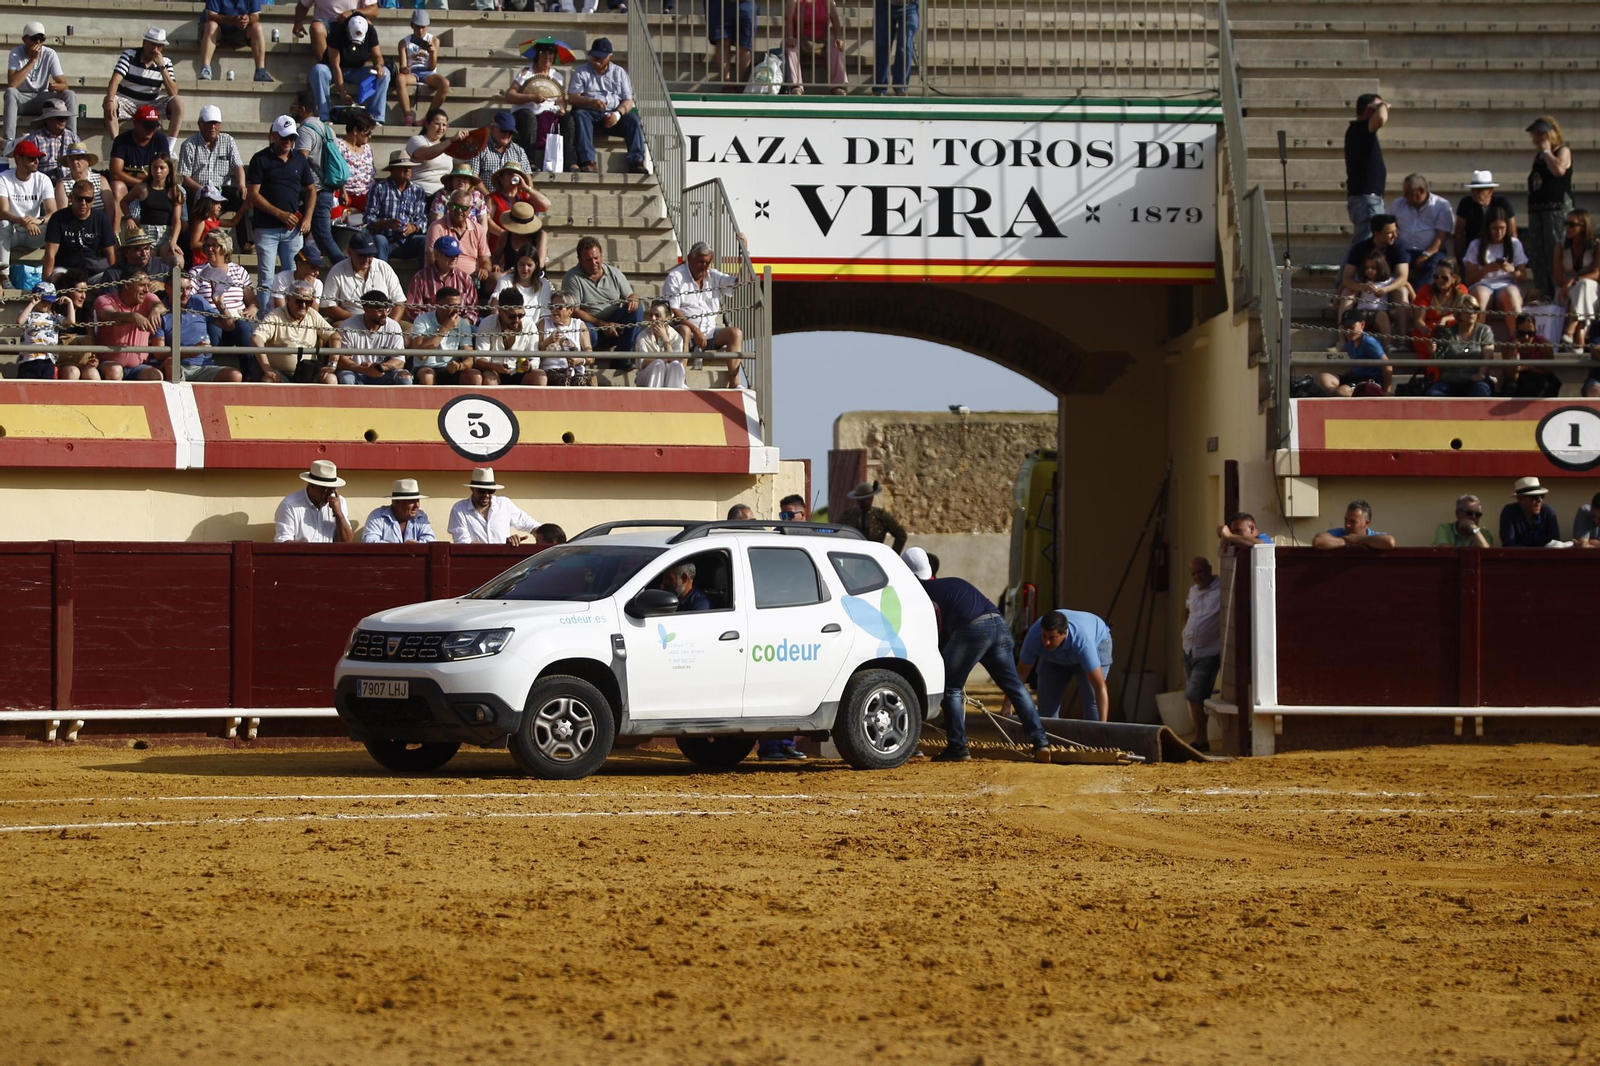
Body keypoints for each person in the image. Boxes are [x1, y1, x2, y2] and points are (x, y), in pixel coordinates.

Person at [900, 547, 1051, 763]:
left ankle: (958, 747)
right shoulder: (952, 583)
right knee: (1015, 686)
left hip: (973, 630)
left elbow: (936, 634)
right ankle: (1041, 742)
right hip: (998, 624)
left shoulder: (920, 593)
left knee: (949, 687)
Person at [246, 115, 316, 296]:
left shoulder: (300, 160)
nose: (288, 141)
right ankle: (264, 317)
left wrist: (307, 217)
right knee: (266, 278)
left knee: (295, 277)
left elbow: (311, 189)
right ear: (273, 136)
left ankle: (291, 317)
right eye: (284, 137)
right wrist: (279, 214)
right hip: (267, 227)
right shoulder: (260, 159)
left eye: (292, 137)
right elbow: (253, 194)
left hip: (292, 228)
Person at [664, 241, 744, 388]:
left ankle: (734, 383)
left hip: (710, 332)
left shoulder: (714, 276)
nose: (704, 267)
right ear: (689, 258)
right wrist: (696, 331)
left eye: (707, 263)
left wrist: (744, 254)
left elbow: (738, 283)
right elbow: (673, 311)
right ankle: (680, 379)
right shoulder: (676, 276)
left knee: (736, 333)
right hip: (685, 330)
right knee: (685, 330)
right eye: (700, 262)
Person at [1016, 609, 1114, 723]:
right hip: (1053, 656)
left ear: (1064, 634)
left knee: (1092, 702)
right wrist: (1007, 706)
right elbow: (1020, 675)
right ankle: (1047, 739)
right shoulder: (1034, 636)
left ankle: (1094, 739)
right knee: (1046, 708)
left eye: (1052, 637)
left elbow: (1099, 686)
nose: (1046, 642)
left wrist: (1102, 726)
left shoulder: (1083, 642)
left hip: (1096, 644)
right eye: (1044, 636)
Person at [565, 39, 646, 175]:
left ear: (610, 57)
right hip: (590, 113)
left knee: (633, 120)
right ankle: (588, 160)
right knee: (579, 115)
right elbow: (573, 97)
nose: (596, 61)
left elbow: (628, 101)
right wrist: (590, 101)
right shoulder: (581, 72)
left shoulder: (619, 73)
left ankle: (636, 161)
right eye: (593, 57)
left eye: (600, 58)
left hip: (613, 113)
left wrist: (617, 114)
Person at [154, 273, 242, 383]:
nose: (185, 294)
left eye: (188, 288)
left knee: (234, 376)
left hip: (204, 366)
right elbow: (159, 353)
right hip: (179, 365)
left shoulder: (198, 302)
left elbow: (229, 326)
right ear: (167, 289)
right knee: (170, 363)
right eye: (180, 290)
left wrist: (220, 304)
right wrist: (191, 352)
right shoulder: (160, 312)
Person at [288, 91, 342, 268]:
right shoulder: (327, 129)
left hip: (316, 191)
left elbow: (301, 162)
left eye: (293, 107)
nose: (290, 110)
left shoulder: (304, 130)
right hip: (327, 188)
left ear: (302, 109)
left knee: (324, 239)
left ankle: (348, 271)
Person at [563, 235, 642, 353]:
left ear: (601, 255)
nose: (594, 263)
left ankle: (623, 357)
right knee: (587, 332)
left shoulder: (614, 273)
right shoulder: (573, 277)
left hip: (615, 323)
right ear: (580, 260)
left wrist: (634, 298)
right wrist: (602, 324)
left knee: (637, 309)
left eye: (596, 258)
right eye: (588, 260)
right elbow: (574, 310)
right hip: (591, 325)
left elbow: (630, 296)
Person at [251, 278, 340, 382]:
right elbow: (256, 338)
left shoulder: (312, 314)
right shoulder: (275, 316)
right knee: (268, 380)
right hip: (281, 373)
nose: (303, 306)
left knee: (330, 378)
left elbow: (335, 336)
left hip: (309, 372)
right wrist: (267, 369)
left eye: (308, 302)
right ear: (288, 299)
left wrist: (332, 364)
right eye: (299, 301)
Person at [1525, 116, 1574, 302]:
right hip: (1538, 210)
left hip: (1557, 210)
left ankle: (1559, 296)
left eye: (1540, 134)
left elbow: (1559, 171)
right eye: (1535, 135)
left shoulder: (1562, 151)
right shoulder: (1537, 157)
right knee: (1539, 256)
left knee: (1556, 251)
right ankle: (1543, 294)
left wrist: (1547, 152)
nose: (1537, 138)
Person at [1335, 214, 1410, 335]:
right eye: (1390, 233)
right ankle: (1342, 340)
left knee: (1402, 291)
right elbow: (1347, 279)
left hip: (1387, 289)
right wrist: (1361, 287)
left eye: (1395, 231)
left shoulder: (1398, 246)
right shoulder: (1360, 248)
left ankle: (1403, 339)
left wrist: (1385, 289)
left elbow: (1403, 277)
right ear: (1377, 234)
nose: (1395, 236)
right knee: (1347, 292)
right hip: (1364, 289)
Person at [105, 27, 183, 140]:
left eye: (159, 46)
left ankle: (169, 148)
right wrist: (110, 100)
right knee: (110, 100)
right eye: (152, 44)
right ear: (144, 43)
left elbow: (174, 92)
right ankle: (116, 143)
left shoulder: (166, 62)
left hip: (151, 106)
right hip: (127, 102)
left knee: (178, 102)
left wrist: (162, 67)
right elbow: (115, 80)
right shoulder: (129, 55)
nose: (155, 49)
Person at [6, 20, 76, 143]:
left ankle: (72, 140)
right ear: (25, 39)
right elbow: (12, 84)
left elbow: (65, 86)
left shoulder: (50, 54)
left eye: (41, 38)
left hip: (43, 99)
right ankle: (8, 141)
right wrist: (32, 60)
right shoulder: (16, 53)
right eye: (34, 38)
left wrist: (57, 86)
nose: (38, 42)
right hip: (22, 99)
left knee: (70, 95)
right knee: (11, 92)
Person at [312, 13, 389, 125]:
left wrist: (378, 65)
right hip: (335, 70)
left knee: (385, 73)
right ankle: (324, 117)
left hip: (357, 71)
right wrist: (342, 91)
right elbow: (335, 65)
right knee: (318, 70)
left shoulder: (370, 31)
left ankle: (375, 117)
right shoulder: (338, 32)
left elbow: (377, 56)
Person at [178, 106, 247, 225]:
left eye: (215, 123)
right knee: (189, 197)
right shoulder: (188, 145)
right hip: (199, 190)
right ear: (200, 124)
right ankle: (190, 237)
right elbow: (184, 177)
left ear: (220, 124)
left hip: (221, 189)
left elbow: (237, 165)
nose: (212, 127)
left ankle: (246, 242)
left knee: (244, 199)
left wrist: (241, 184)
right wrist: (203, 189)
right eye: (208, 123)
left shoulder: (228, 140)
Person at [93, 270, 166, 381]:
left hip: (139, 367)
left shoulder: (147, 298)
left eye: (148, 285)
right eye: (142, 285)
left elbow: (160, 306)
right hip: (109, 364)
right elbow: (106, 314)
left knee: (155, 375)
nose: (146, 290)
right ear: (127, 285)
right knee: (115, 371)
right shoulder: (105, 299)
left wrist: (156, 310)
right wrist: (133, 317)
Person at [191, 230, 258, 350]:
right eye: (207, 245)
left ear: (224, 248)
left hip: (236, 317)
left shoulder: (239, 271)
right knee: (213, 329)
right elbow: (189, 299)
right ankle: (212, 366)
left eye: (214, 245)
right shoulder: (197, 272)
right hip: (212, 318)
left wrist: (252, 308)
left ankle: (247, 368)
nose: (209, 249)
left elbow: (252, 299)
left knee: (244, 329)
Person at [1181, 557, 1222, 753]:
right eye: (1193, 574)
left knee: (1194, 695)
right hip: (1189, 650)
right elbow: (1186, 610)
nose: (1197, 577)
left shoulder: (1221, 587)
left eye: (1201, 572)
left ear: (1210, 569)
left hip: (1208, 652)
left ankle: (1200, 739)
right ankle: (1202, 738)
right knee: (1198, 697)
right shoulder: (1193, 591)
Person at [505, 40, 569, 167]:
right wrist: (531, 97)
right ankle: (528, 159)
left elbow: (560, 100)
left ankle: (570, 160)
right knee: (529, 117)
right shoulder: (526, 72)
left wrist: (562, 109)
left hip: (548, 113)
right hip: (524, 111)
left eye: (551, 53)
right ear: (537, 55)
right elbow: (509, 95)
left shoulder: (557, 76)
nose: (547, 57)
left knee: (569, 120)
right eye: (543, 53)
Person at [1463, 213, 1529, 335]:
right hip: (1482, 285)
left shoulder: (1514, 244)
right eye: (1495, 228)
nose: (1498, 232)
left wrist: (1513, 270)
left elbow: (1524, 277)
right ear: (1488, 228)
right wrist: (1486, 270)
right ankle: (1477, 342)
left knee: (1512, 295)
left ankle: (1517, 341)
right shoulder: (1476, 245)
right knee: (1479, 296)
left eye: (1502, 228)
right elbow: (1469, 279)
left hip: (1505, 285)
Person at [0, 139, 58, 275]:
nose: (37, 161)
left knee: (56, 223)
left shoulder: (43, 179)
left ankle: (51, 274)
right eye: (32, 158)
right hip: (12, 232)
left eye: (38, 157)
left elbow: (53, 212)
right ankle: (4, 275)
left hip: (35, 232)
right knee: (3, 223)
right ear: (18, 159)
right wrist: (23, 221)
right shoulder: (3, 178)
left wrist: (39, 221)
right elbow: (2, 212)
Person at [323, 231, 406, 324]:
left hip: (384, 321)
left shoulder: (384, 267)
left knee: (410, 331)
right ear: (350, 252)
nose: (366, 259)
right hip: (350, 323)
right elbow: (328, 306)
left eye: (370, 255)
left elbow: (399, 302)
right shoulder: (337, 271)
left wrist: (390, 327)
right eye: (361, 255)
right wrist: (360, 321)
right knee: (339, 331)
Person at [1390, 174, 1453, 291]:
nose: (1404, 195)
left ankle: (1420, 298)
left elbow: (1441, 236)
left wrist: (1426, 255)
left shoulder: (1441, 205)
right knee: (1395, 262)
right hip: (1405, 249)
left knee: (1435, 266)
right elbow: (1391, 229)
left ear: (1421, 191)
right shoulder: (1397, 204)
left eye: (1408, 192)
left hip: (1433, 251)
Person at [334, 289, 410, 385]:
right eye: (379, 310)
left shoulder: (393, 326)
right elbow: (342, 360)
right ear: (366, 309)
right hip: (357, 373)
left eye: (387, 309)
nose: (384, 314)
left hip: (383, 373)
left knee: (404, 376)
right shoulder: (348, 326)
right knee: (346, 378)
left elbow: (399, 361)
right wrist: (363, 369)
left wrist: (378, 368)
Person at [447, 467, 540, 544]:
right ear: (472, 489)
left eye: (491, 491)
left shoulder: (504, 504)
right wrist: (502, 546)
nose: (486, 495)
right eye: (482, 491)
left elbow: (530, 524)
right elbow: (463, 542)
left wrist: (548, 538)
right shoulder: (459, 509)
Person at [410, 286, 481, 385]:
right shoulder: (422, 320)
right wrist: (445, 329)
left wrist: (459, 366)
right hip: (426, 368)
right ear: (438, 305)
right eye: (452, 306)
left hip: (451, 369)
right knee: (427, 375)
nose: (457, 310)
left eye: (458, 305)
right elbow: (421, 355)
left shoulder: (462, 324)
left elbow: (469, 358)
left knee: (475, 376)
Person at [13, 281, 84, 380]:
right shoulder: (29, 315)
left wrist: (70, 303)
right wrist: (32, 303)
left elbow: (71, 321)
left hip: (47, 361)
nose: (47, 304)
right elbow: (20, 321)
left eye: (49, 301)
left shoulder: (54, 317)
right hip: (28, 360)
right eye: (44, 301)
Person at [367, 150, 429, 263]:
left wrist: (414, 227)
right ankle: (381, 278)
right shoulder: (379, 188)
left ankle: (425, 279)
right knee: (379, 240)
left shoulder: (417, 191)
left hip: (408, 241)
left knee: (424, 241)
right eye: (402, 167)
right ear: (392, 170)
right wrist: (386, 223)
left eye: (409, 167)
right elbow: (368, 218)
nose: (407, 170)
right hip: (386, 240)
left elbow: (423, 218)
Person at [120, 154, 184, 263]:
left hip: (166, 234)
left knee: (177, 261)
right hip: (146, 233)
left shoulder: (174, 191)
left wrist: (173, 241)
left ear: (168, 170)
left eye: (161, 168)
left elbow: (177, 220)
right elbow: (124, 201)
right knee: (144, 262)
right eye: (155, 167)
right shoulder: (143, 187)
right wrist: (128, 217)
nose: (158, 171)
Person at [1426, 297, 1494, 398]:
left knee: (1481, 391)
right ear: (1458, 313)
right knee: (1434, 394)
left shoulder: (1484, 330)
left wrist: (1481, 374)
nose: (1471, 313)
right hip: (1449, 380)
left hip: (1474, 378)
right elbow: (1437, 360)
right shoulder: (1447, 332)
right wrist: (1433, 351)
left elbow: (1488, 355)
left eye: (1475, 310)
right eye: (1467, 310)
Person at [1344, 93, 1387, 246]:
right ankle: (1348, 271)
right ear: (1370, 110)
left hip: (1368, 199)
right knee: (1365, 247)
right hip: (1367, 200)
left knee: (1365, 248)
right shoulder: (1360, 129)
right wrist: (1382, 106)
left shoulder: (1358, 131)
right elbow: (1381, 119)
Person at [275, 459, 354, 543]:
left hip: (330, 555)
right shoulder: (290, 505)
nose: (330, 492)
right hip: (302, 555)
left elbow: (347, 542)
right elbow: (284, 543)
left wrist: (339, 514)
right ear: (311, 485)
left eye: (333, 488)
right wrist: (308, 550)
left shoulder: (339, 502)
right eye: (326, 488)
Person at [473, 288, 540, 384]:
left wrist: (530, 365)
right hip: (494, 372)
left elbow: (535, 358)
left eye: (521, 315)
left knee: (539, 376)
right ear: (500, 311)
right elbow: (480, 360)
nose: (517, 320)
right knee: (489, 378)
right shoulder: (487, 323)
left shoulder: (530, 325)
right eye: (512, 316)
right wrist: (494, 366)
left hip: (521, 373)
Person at [408, 235, 480, 325]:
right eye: (449, 255)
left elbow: (472, 309)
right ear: (437, 255)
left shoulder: (465, 279)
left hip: (459, 327)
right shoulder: (420, 278)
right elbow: (413, 309)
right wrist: (434, 324)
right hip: (429, 327)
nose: (454, 258)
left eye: (456, 255)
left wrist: (463, 324)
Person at [425, 190, 493, 284]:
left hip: (473, 278)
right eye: (455, 206)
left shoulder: (478, 229)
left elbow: (485, 260)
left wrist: (484, 269)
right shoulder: (437, 227)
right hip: (445, 276)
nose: (459, 211)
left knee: (496, 280)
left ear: (470, 209)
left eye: (464, 208)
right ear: (448, 206)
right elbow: (431, 260)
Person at [395, 10, 448, 128]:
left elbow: (432, 67)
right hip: (413, 71)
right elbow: (403, 65)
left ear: (427, 27)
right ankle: (408, 117)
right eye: (417, 27)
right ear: (412, 26)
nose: (420, 31)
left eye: (423, 28)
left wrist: (433, 53)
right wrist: (404, 69)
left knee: (445, 83)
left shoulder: (434, 40)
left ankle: (427, 118)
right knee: (399, 78)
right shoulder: (404, 42)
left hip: (428, 72)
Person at [199, 0, 272, 84]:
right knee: (211, 25)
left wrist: (248, 19)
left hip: (239, 29)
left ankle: (260, 70)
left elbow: (255, 16)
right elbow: (210, 16)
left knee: (257, 27)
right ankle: (205, 68)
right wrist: (233, 20)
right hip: (216, 30)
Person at [1555, 209, 1598, 351]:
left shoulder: (1597, 246)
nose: (1567, 227)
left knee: (1585, 285)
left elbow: (1597, 274)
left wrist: (1574, 280)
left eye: (1572, 224)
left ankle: (1570, 330)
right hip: (1567, 291)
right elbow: (1558, 277)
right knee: (1581, 290)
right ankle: (1579, 340)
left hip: (1592, 292)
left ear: (1584, 226)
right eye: (1565, 223)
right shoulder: (1560, 247)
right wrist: (1570, 283)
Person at [784, 0, 846, 94]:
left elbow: (835, 18)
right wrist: (790, 37)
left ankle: (837, 86)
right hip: (801, 39)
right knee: (791, 48)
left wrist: (839, 37)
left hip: (821, 40)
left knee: (836, 46)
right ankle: (796, 86)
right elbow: (788, 18)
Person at [1454, 171, 1516, 261]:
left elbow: (1512, 232)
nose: (1475, 193)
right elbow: (1459, 233)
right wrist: (1460, 259)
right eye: (1473, 190)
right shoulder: (1466, 204)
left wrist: (1511, 256)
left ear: (1490, 191)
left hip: (1499, 252)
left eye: (1480, 190)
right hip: (1473, 253)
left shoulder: (1502, 203)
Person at [537, 291, 593, 386]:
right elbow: (536, 353)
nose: (554, 310)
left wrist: (579, 361)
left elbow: (591, 357)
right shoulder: (543, 323)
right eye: (551, 306)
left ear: (570, 310)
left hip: (575, 370)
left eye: (559, 307)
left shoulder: (579, 325)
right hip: (551, 369)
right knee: (564, 381)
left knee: (580, 381)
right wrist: (548, 342)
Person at [53, 143, 111, 233]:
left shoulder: (101, 180)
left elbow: (110, 208)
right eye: (71, 159)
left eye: (79, 158)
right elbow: (63, 213)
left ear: (87, 161)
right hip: (73, 228)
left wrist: (106, 230)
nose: (75, 162)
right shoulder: (62, 183)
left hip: (99, 227)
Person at [1501, 312, 1561, 398]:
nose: (1526, 337)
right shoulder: (1508, 346)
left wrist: (1527, 367)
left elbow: (1547, 371)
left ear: (1535, 331)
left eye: (1530, 333)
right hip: (1519, 379)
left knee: (1538, 386)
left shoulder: (1543, 345)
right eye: (1522, 333)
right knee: (1509, 388)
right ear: (1516, 332)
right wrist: (1512, 352)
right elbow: (1510, 377)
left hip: (1539, 377)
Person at [836, 480, 907, 552]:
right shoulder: (848, 515)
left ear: (872, 498)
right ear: (857, 500)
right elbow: (835, 532)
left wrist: (892, 555)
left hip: (874, 556)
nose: (865, 502)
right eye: (861, 500)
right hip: (853, 555)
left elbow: (901, 535)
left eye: (867, 499)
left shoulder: (881, 515)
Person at [635, 298, 688, 387]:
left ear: (667, 318)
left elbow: (677, 360)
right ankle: (654, 397)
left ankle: (674, 396)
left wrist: (665, 339)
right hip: (647, 375)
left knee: (676, 365)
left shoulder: (675, 336)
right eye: (651, 315)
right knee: (658, 364)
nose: (653, 318)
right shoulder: (642, 336)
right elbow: (642, 363)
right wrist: (662, 359)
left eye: (657, 315)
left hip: (669, 375)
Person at [362, 479, 435, 543]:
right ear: (396, 502)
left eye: (418, 500)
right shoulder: (377, 516)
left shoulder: (421, 517)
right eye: (412, 501)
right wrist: (395, 548)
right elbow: (368, 542)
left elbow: (431, 541)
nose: (417, 505)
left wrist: (414, 546)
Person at [406, 109, 458, 197]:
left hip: (442, 195)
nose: (441, 128)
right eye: (437, 124)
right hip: (420, 193)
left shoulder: (448, 145)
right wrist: (451, 140)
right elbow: (427, 154)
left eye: (444, 125)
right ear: (427, 124)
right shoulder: (416, 140)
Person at [1499, 476, 1562, 548]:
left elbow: (1555, 545)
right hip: (1518, 558)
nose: (1540, 500)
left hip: (1546, 558)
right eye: (1534, 497)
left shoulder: (1548, 513)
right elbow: (1509, 545)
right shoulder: (1509, 512)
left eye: (1542, 496)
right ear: (1520, 498)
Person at [474, 111, 533, 187]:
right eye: (504, 130)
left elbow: (528, 179)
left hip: (513, 197)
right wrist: (489, 196)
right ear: (492, 128)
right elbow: (474, 177)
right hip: (486, 196)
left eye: (511, 132)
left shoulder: (519, 151)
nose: (507, 135)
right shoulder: (480, 147)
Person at [872, 0, 918, 96]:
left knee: (905, 46)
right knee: (882, 45)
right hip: (884, 5)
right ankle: (880, 87)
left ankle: (901, 86)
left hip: (910, 5)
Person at [492, 248, 551, 322]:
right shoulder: (505, 281)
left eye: (529, 265)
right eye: (522, 264)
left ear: (535, 265)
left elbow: (546, 315)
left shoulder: (544, 285)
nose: (525, 268)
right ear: (516, 264)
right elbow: (496, 304)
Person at [335, 110, 377, 213]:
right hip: (343, 193)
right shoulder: (339, 146)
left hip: (365, 194)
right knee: (335, 213)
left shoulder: (368, 148)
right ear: (355, 130)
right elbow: (336, 171)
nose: (370, 136)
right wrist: (342, 191)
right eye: (367, 133)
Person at [1312, 499, 1397, 550]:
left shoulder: (1374, 536)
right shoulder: (1339, 533)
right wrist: (1347, 541)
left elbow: (1389, 542)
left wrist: (1359, 539)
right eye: (1346, 520)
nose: (1347, 525)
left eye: (1353, 522)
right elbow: (1318, 541)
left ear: (1366, 523)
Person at [23, 100, 74, 180]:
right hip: (42, 184)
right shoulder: (34, 139)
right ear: (48, 119)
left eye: (66, 117)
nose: (64, 121)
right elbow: (27, 166)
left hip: (69, 184)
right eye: (60, 118)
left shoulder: (73, 138)